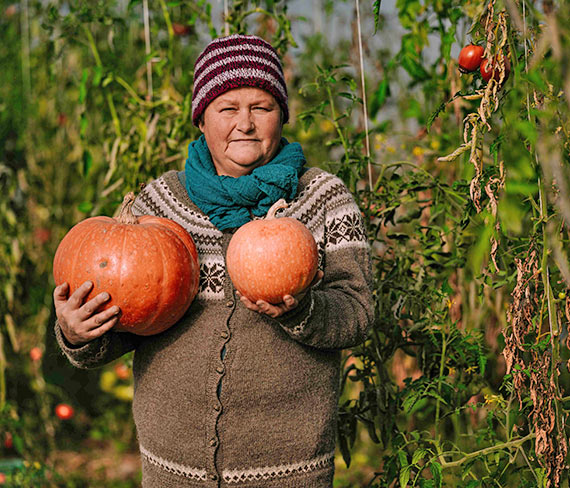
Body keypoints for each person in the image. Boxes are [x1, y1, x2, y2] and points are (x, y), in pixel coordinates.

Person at [54, 34, 373, 487]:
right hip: (171, 470)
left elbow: (357, 314)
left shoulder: (323, 198)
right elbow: (133, 319)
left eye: (261, 107)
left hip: (287, 473)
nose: (245, 123)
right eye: (227, 108)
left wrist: (304, 310)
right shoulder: (159, 204)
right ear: (201, 120)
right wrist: (79, 333)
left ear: (282, 115)